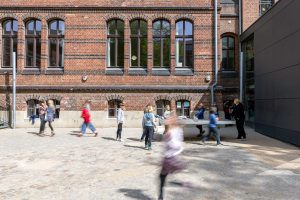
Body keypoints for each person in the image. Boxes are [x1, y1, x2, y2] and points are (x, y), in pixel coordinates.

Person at [158, 112, 186, 200]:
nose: (168, 120)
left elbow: (178, 145)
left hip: (171, 158)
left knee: (162, 176)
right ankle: (161, 195)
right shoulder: (169, 130)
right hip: (168, 157)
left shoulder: (176, 131)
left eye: (170, 118)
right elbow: (166, 146)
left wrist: (170, 140)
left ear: (174, 120)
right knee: (162, 176)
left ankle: (161, 195)